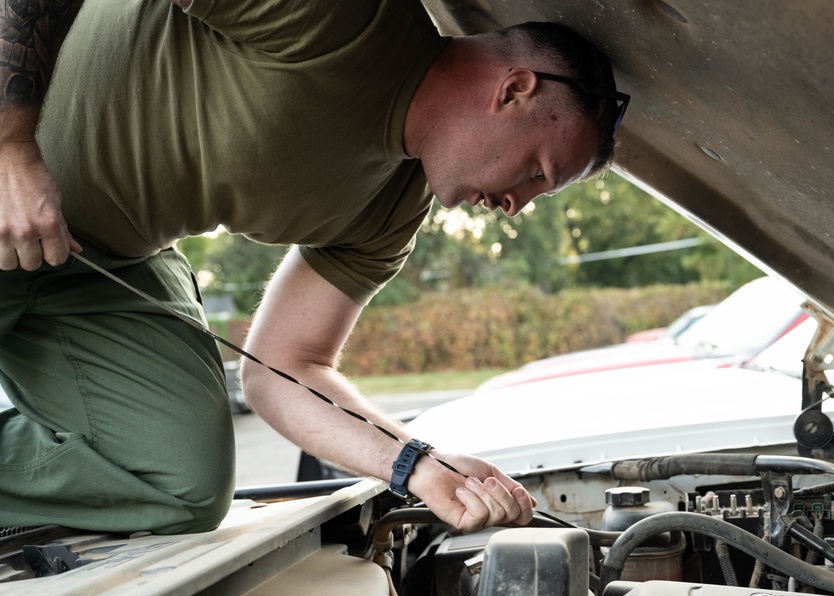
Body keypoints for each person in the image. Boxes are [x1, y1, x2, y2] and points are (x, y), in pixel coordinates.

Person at [0, 0, 626, 535]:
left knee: (181, 482)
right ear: (514, 91)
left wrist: (416, 463)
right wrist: (11, 145)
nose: (516, 206)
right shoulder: (348, 19)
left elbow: (286, 367)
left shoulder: (392, 212)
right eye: (537, 172)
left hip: (96, 263)